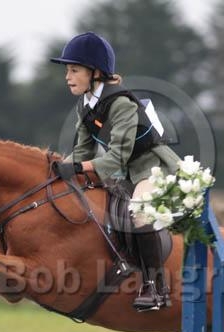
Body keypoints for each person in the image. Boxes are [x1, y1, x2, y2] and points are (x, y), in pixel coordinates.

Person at [50, 31, 181, 312]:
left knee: (139, 211)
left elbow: (117, 156)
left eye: (74, 70)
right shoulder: (86, 105)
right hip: (122, 174)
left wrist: (76, 167)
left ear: (95, 73)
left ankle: (155, 286)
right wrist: (56, 169)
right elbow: (83, 151)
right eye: (67, 70)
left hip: (150, 168)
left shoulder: (121, 103)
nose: (67, 77)